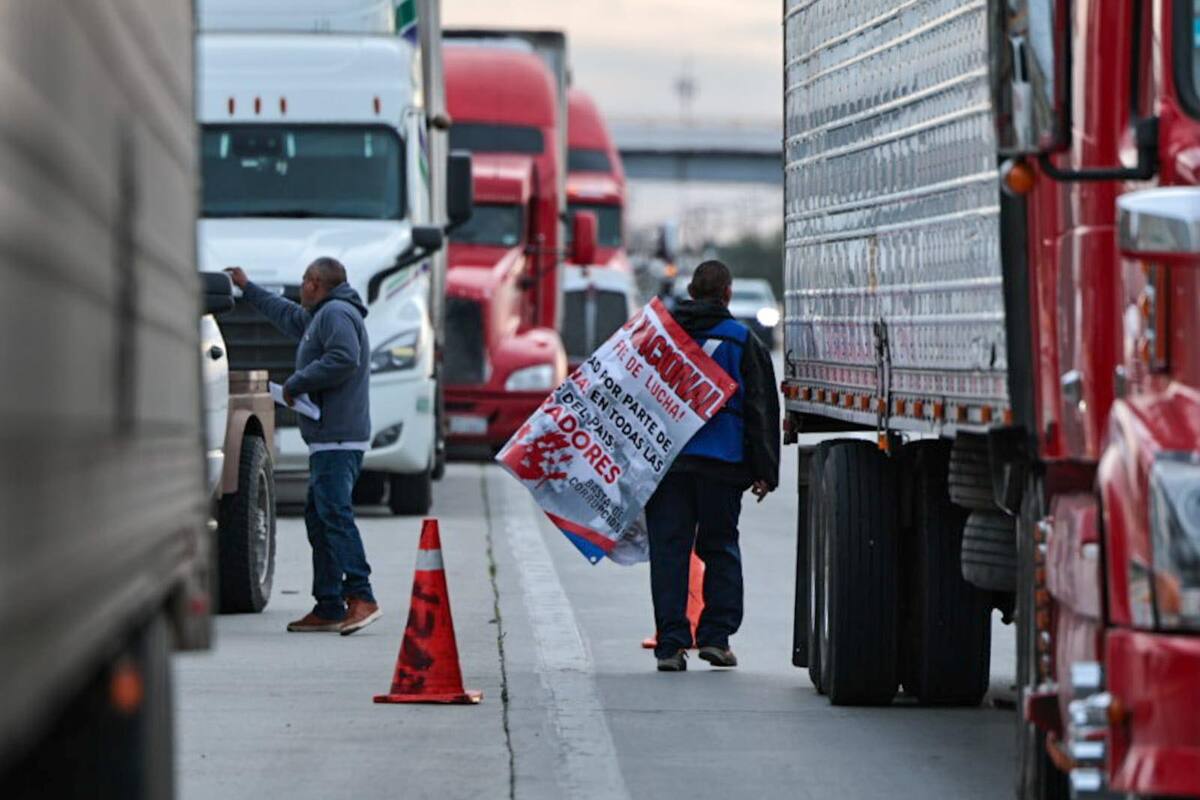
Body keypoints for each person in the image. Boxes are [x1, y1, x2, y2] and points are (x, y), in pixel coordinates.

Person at [225, 259, 382, 635]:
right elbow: (285, 314)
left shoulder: (336, 314)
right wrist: (248, 287)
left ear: (315, 283)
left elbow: (345, 357)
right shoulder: (319, 316)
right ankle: (328, 605)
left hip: (338, 436)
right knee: (320, 518)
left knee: (335, 515)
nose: (300, 288)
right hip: (329, 436)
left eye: (303, 281)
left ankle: (361, 596)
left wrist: (297, 382)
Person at [646, 259, 780, 671]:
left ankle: (670, 646)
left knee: (670, 550)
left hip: (667, 464)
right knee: (719, 547)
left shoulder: (660, 335)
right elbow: (759, 409)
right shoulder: (742, 341)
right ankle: (715, 639)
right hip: (722, 465)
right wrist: (765, 471)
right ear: (727, 294)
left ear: (690, 291)